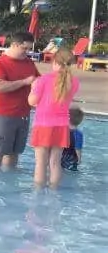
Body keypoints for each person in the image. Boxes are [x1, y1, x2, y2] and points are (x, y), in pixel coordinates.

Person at [0, 31, 41, 171]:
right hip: (3, 114)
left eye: (29, 49)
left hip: (23, 114)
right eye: (24, 48)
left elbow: (39, 81)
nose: (27, 52)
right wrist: (24, 82)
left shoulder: (29, 63)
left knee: (15, 153)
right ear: (15, 45)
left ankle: (9, 184)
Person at [27, 47, 80, 188]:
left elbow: (32, 102)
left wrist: (33, 88)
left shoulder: (43, 80)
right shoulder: (74, 82)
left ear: (55, 62)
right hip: (62, 126)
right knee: (55, 162)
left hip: (43, 125)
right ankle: (54, 192)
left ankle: (37, 194)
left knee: (40, 163)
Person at [61, 107, 84, 171]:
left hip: (60, 156)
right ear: (80, 121)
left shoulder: (62, 130)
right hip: (72, 159)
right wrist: (79, 159)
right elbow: (78, 148)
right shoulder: (78, 134)